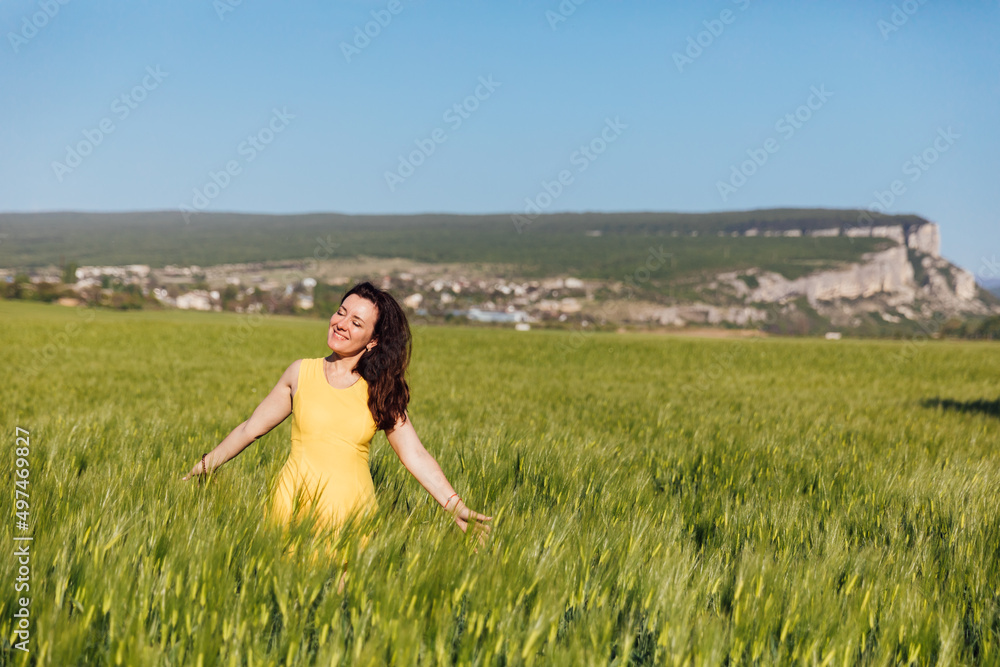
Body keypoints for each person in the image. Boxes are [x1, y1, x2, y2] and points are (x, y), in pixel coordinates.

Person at [181, 281, 492, 584]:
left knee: (339, 613)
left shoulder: (379, 390)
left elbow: (414, 454)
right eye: (341, 312)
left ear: (373, 340)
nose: (342, 324)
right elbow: (250, 429)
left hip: (350, 515)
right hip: (290, 506)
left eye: (356, 322)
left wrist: (454, 504)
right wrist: (204, 465)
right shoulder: (300, 372)